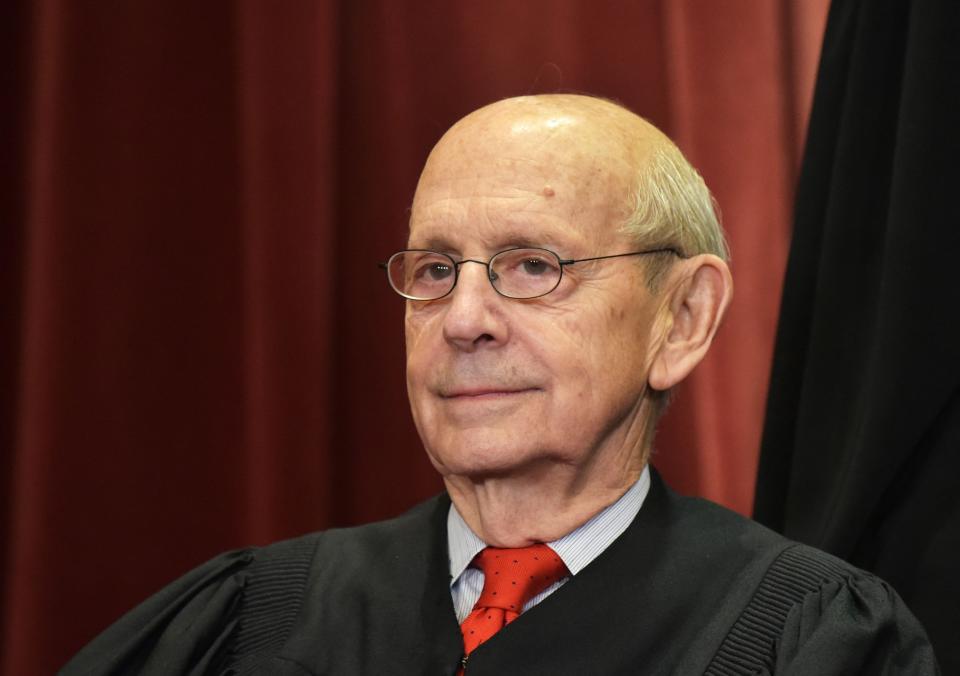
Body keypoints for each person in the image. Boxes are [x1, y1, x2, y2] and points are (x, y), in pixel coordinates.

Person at [62, 95, 940, 675]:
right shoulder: (250, 624)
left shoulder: (804, 639)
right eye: (437, 268)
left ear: (680, 319)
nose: (463, 317)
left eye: (533, 265)